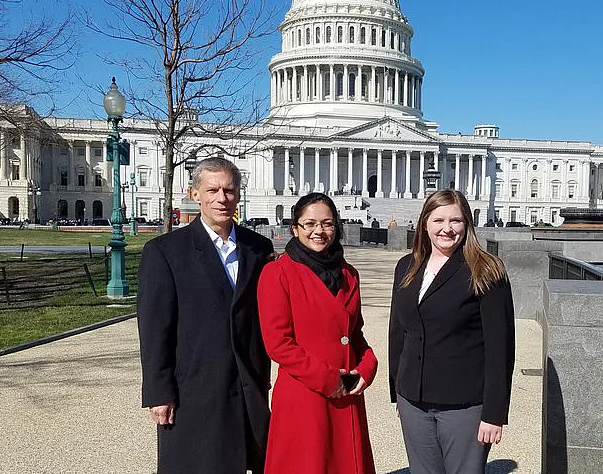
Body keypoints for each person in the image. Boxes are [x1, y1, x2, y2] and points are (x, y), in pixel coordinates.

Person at [136, 157, 275, 474]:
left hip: (248, 384)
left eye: (229, 190)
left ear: (238, 195)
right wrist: (159, 393)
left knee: (250, 462)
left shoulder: (259, 248)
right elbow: (156, 328)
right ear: (195, 194)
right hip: (195, 387)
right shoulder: (165, 251)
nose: (221, 198)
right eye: (212, 190)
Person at [388, 190, 515, 474]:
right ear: (425, 224)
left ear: (467, 224)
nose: (447, 228)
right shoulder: (406, 266)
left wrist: (494, 414)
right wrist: (398, 389)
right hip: (413, 400)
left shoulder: (486, 269)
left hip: (464, 404)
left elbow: (500, 347)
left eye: (456, 220)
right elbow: (398, 332)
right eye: (439, 220)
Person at [258, 193, 377, 474]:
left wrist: (368, 367)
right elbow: (278, 344)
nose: (319, 231)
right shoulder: (277, 273)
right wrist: (328, 379)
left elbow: (354, 333)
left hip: (347, 389)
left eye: (326, 224)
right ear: (295, 228)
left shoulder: (349, 274)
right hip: (305, 392)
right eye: (309, 223)